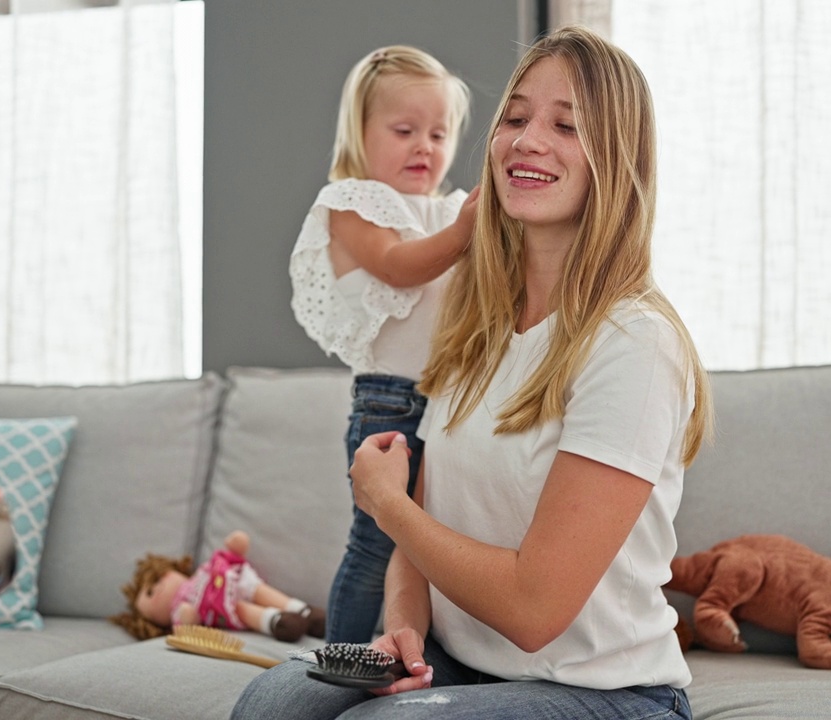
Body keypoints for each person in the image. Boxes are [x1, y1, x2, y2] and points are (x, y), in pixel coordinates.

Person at [233, 25, 713, 720]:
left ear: (618, 158)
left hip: (603, 693)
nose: (526, 140)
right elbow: (422, 534)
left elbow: (533, 608)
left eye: (566, 126)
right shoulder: (474, 330)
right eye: (514, 118)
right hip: (462, 666)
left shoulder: (632, 342)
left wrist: (385, 505)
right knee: (271, 703)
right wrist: (404, 627)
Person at [290, 44, 480, 643]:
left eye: (438, 132)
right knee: (375, 546)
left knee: (434, 551)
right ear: (361, 132)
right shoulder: (352, 204)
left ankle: (416, 654)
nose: (424, 145)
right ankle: (341, 659)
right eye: (404, 130)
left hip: (453, 406)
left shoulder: (448, 210)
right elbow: (400, 266)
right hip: (389, 401)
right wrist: (466, 231)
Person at [109, 530, 326, 643]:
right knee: (241, 609)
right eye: (149, 596)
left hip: (233, 578)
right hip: (218, 607)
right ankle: (274, 621)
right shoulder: (180, 608)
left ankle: (302, 610)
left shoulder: (201, 572)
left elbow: (223, 563)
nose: (155, 593)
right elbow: (186, 625)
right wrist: (187, 617)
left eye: (155, 583)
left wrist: (234, 549)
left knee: (258, 589)